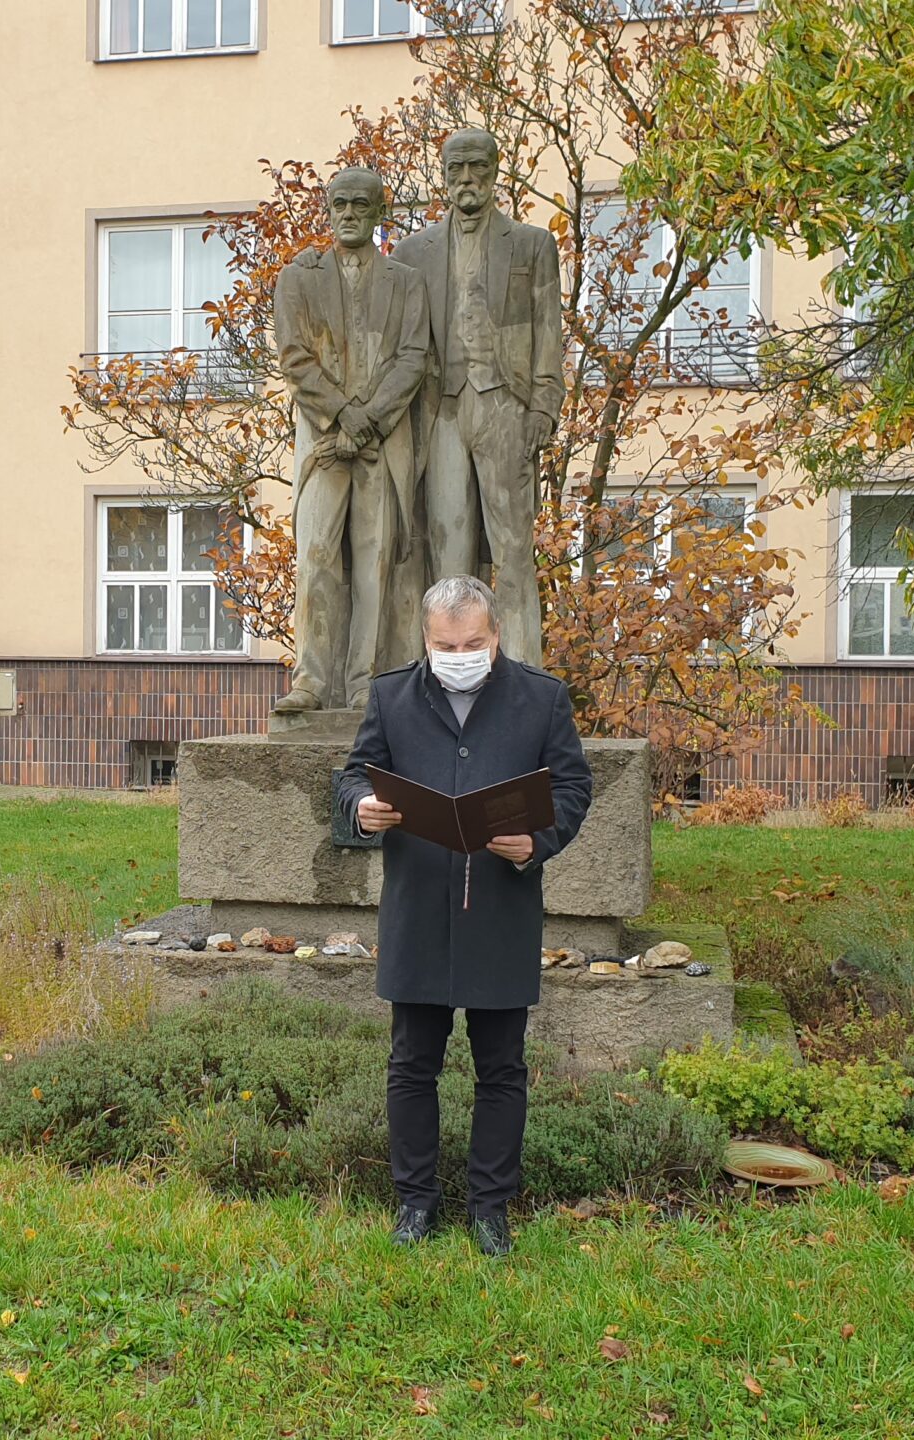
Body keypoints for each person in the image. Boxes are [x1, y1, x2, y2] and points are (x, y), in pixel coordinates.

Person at [334, 575, 594, 1255]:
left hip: (500, 910)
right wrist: (361, 807)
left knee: (501, 1067)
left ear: (496, 635)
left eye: (472, 642)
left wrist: (536, 842)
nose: (459, 652)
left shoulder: (541, 698)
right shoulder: (392, 695)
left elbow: (572, 785)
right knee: (411, 1064)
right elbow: (353, 775)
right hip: (418, 907)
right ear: (425, 640)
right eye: (445, 644)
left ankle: (490, 1208)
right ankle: (415, 1203)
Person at [392, 128, 566, 668]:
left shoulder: (532, 244)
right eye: (455, 170)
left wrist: (544, 405)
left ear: (495, 172)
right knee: (449, 554)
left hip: (505, 405)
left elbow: (547, 330)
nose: (466, 179)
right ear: (443, 177)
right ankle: (450, 674)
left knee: (513, 553)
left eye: (476, 168)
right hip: (441, 410)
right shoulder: (412, 252)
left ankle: (526, 678)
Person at [272, 163, 433, 713]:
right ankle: (311, 680)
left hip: (383, 445)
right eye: (340, 204)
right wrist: (344, 415)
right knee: (316, 554)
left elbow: (414, 358)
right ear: (328, 210)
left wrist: (371, 419)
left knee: (375, 562)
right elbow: (295, 357)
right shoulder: (299, 278)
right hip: (323, 441)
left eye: (360, 205)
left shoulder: (407, 283)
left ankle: (365, 682)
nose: (348, 214)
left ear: (380, 213)